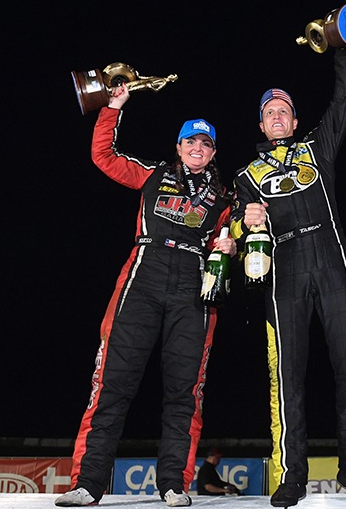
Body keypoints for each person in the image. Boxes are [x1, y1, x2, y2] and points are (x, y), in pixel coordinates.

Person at [55, 84, 236, 508]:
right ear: (178, 146)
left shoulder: (225, 199)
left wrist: (231, 245)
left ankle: (174, 483)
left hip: (195, 286)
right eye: (190, 140)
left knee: (184, 391)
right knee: (113, 383)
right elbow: (104, 157)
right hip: (143, 274)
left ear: (213, 153)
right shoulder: (154, 174)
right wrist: (112, 108)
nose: (197, 147)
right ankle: (88, 483)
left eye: (205, 143)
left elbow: (236, 242)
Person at [229, 46, 346, 507]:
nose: (277, 117)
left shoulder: (319, 147)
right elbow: (231, 231)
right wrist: (244, 220)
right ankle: (291, 476)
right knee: (288, 380)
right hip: (285, 273)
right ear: (261, 124)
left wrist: (340, 47)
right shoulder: (245, 175)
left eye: (284, 111)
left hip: (335, 267)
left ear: (295, 122)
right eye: (269, 112)